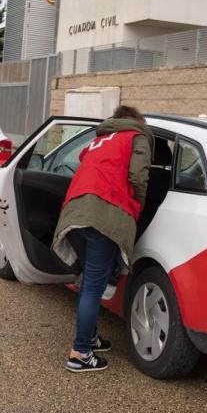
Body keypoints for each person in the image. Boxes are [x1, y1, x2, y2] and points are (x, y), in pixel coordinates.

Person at [51, 105, 152, 373]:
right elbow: (138, 177)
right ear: (136, 121)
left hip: (73, 212)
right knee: (95, 285)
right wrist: (136, 209)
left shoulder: (97, 141)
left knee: (90, 280)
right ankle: (80, 352)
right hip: (104, 214)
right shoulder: (137, 137)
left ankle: (91, 338)